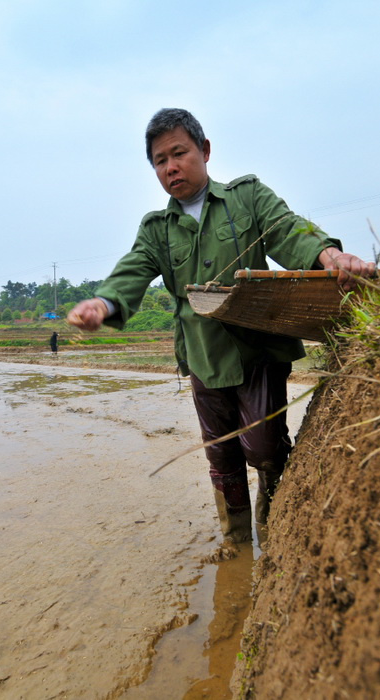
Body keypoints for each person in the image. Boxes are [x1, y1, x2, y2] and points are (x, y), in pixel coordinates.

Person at [67, 108, 376, 546]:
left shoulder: (247, 196)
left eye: (179, 153)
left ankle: (274, 530)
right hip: (203, 356)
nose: (171, 167)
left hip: (259, 350)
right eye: (159, 160)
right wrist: (102, 302)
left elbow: (290, 231)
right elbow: (133, 270)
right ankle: (236, 541)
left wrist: (329, 256)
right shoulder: (157, 229)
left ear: (205, 150)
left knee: (265, 448)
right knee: (222, 455)